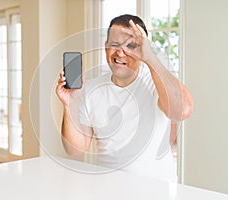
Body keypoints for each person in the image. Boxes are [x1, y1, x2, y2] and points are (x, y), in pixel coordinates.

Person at [56, 14, 193, 181]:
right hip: (107, 187)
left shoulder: (156, 83)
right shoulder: (91, 89)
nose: (120, 53)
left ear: (143, 50)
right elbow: (74, 150)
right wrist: (69, 104)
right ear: (106, 47)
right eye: (115, 44)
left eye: (131, 46)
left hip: (157, 190)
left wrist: (150, 57)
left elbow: (182, 111)